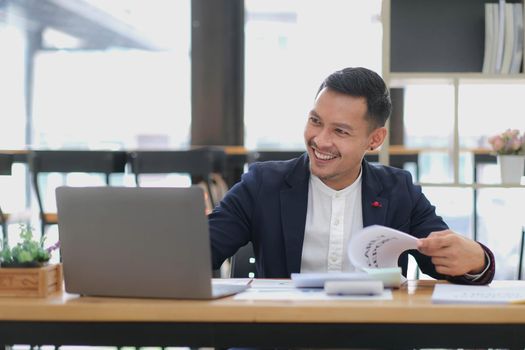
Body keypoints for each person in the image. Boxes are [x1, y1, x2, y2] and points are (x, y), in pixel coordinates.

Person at [209, 67, 494, 284]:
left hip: (370, 338)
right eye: (315, 122)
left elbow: (444, 260)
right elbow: (202, 250)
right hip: (282, 336)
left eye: (340, 131)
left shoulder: (399, 191)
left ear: (375, 139)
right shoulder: (262, 184)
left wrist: (478, 259)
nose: (320, 140)